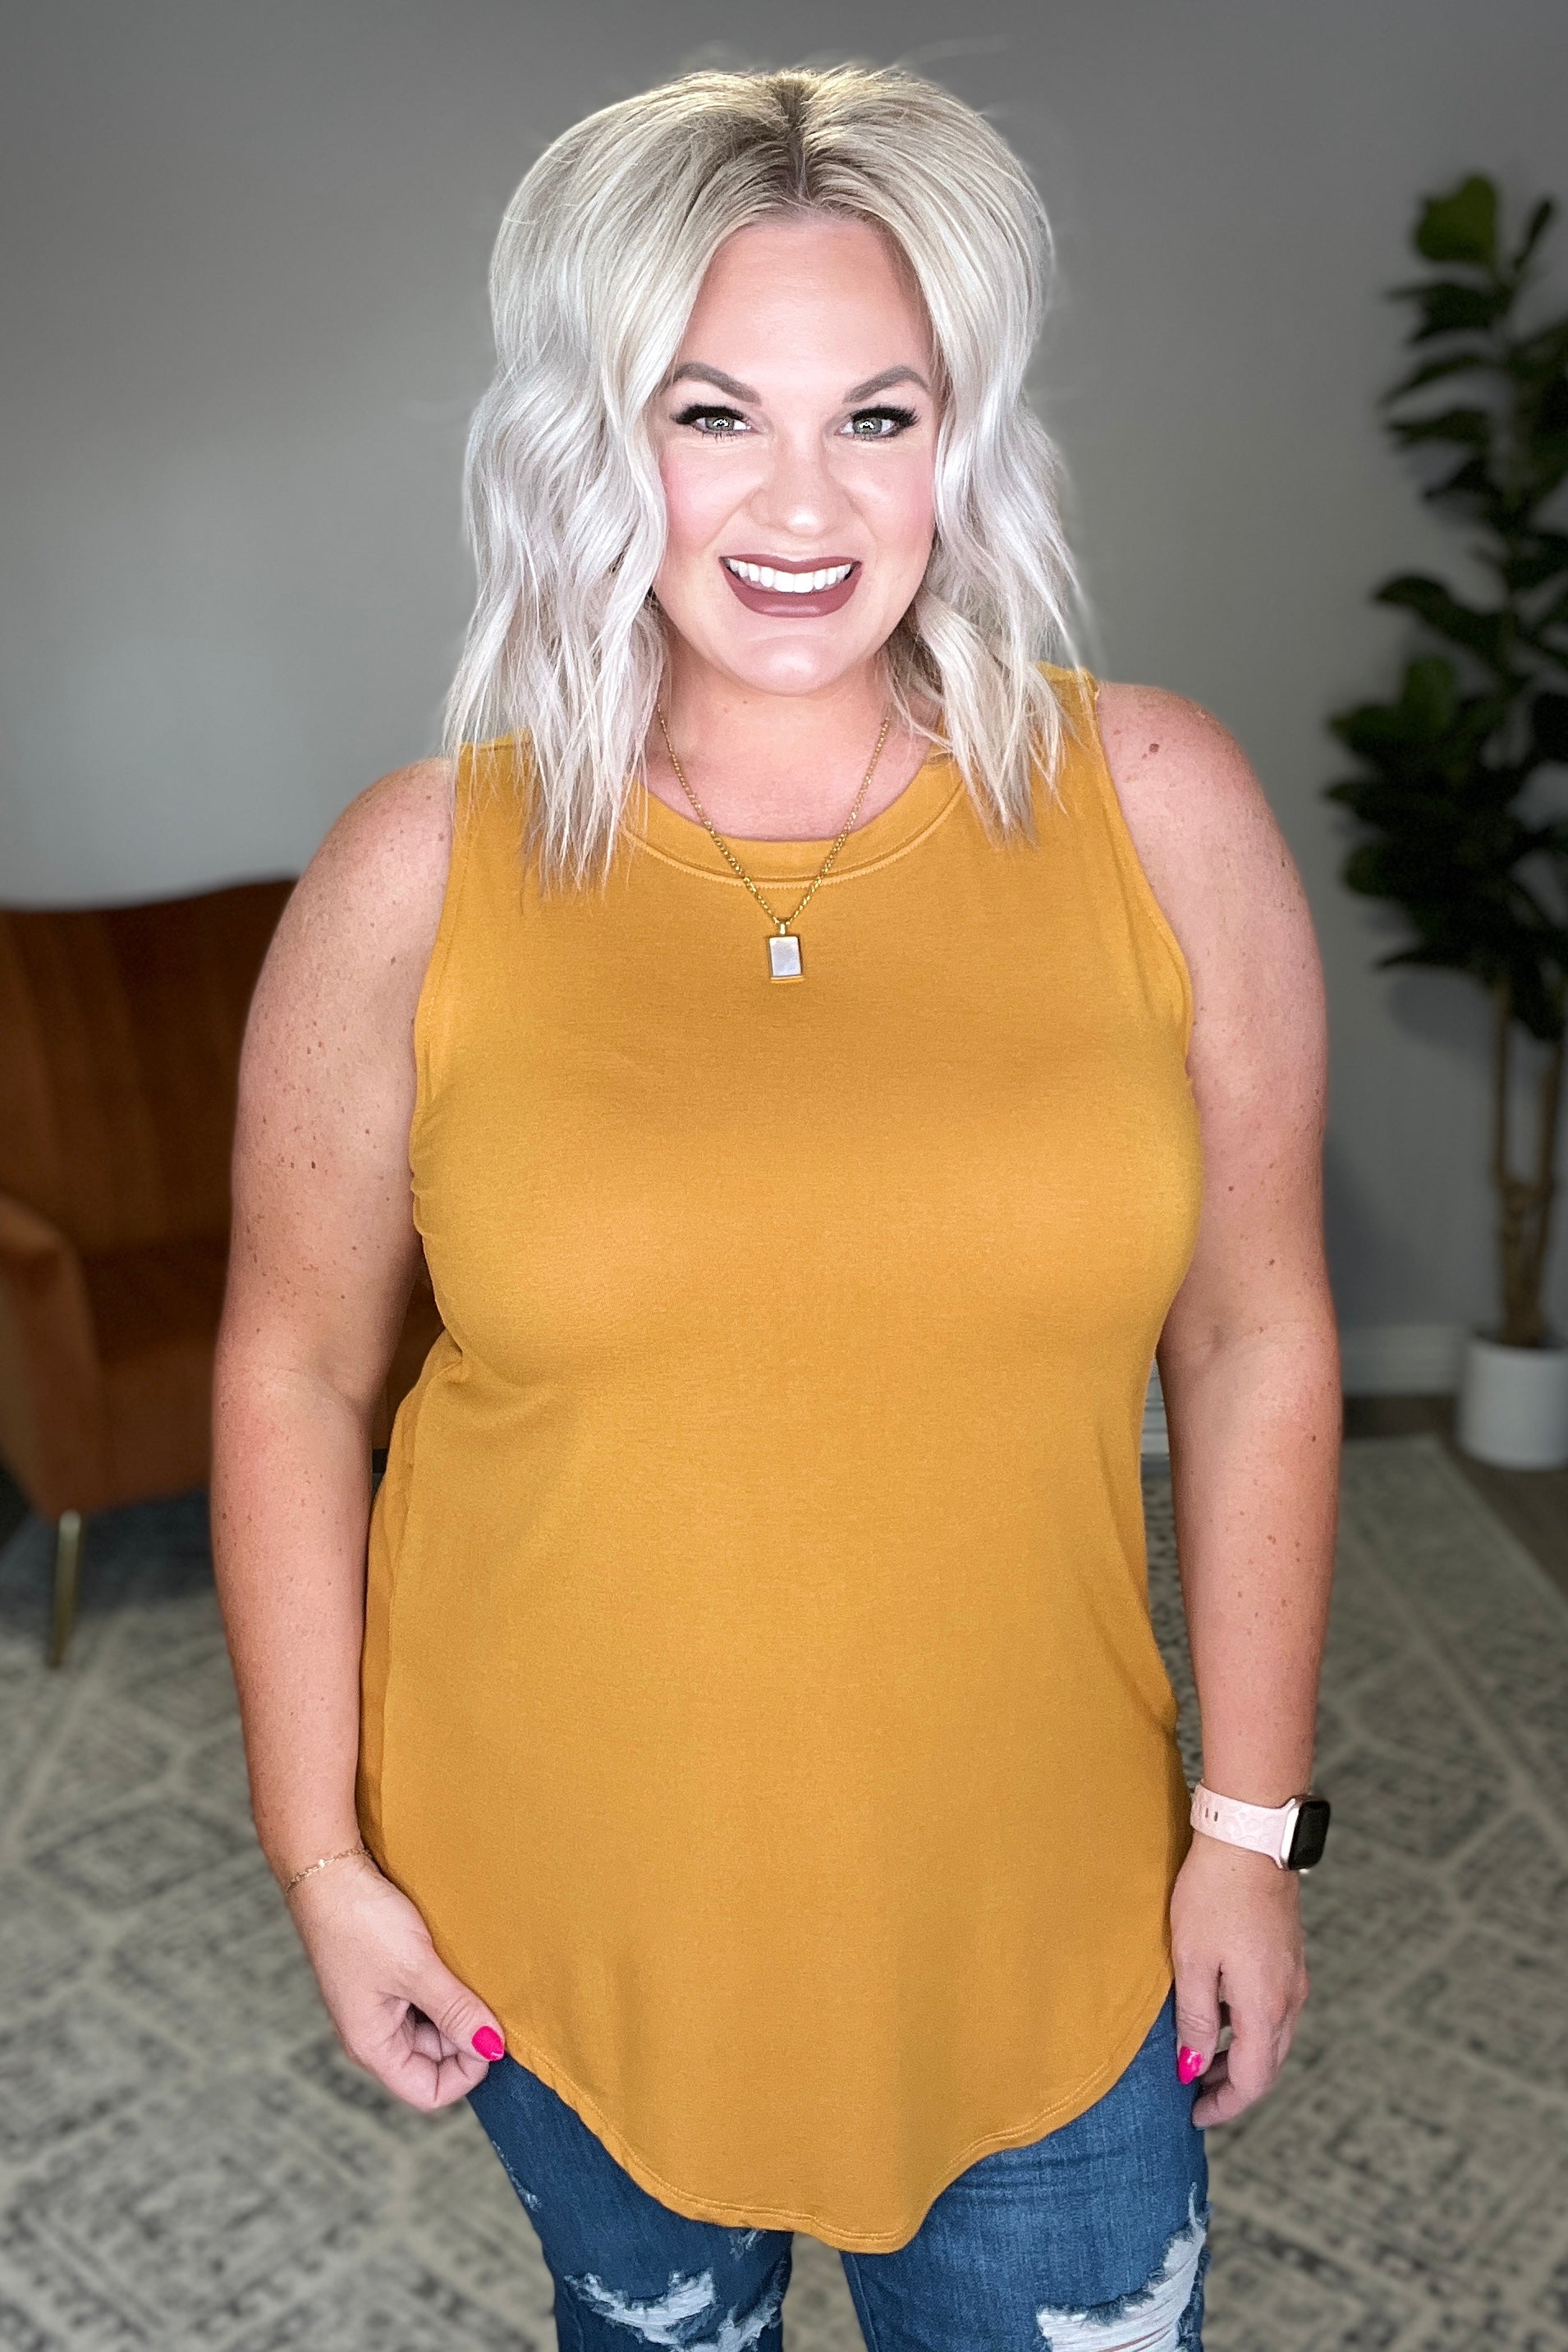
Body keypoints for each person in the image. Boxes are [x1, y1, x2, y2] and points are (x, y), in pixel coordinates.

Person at [211, 61, 1339, 2352]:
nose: (802, 503)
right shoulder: (419, 869)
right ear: (592, 437)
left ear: (963, 440)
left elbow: (1256, 1336)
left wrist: (1251, 1824)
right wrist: (321, 1853)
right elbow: (295, 1369)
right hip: (560, 1910)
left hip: (1041, 1911)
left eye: (877, 415)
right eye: (712, 413)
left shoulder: (1157, 805)